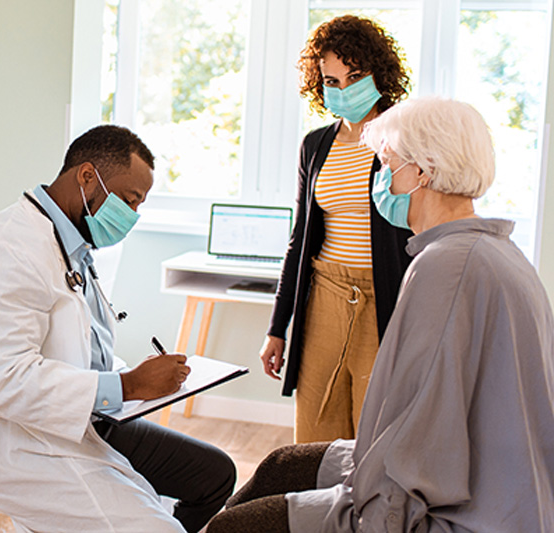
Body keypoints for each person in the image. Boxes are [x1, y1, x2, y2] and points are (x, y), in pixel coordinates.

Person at [207, 96, 554, 532]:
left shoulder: (445, 267)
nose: (381, 179)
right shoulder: (495, 251)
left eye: (387, 165)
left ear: (423, 171)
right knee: (281, 464)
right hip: (483, 476)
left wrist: (367, 514)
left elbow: (418, 440)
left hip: (462, 506)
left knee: (234, 527)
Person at [0, 125, 236, 533]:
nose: (132, 216)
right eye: (130, 200)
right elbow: (4, 382)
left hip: (86, 418)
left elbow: (77, 344)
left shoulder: (72, 244)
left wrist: (129, 376)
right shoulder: (3, 252)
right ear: (87, 177)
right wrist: (128, 386)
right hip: (19, 440)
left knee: (213, 475)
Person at [260, 15, 414, 442]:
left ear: (379, 73)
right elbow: (299, 242)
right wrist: (277, 328)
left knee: (376, 429)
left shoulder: (406, 138)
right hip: (324, 296)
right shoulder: (315, 145)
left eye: (355, 76)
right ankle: (316, 509)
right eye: (332, 80)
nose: (344, 90)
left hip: (384, 298)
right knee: (315, 427)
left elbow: (420, 233)